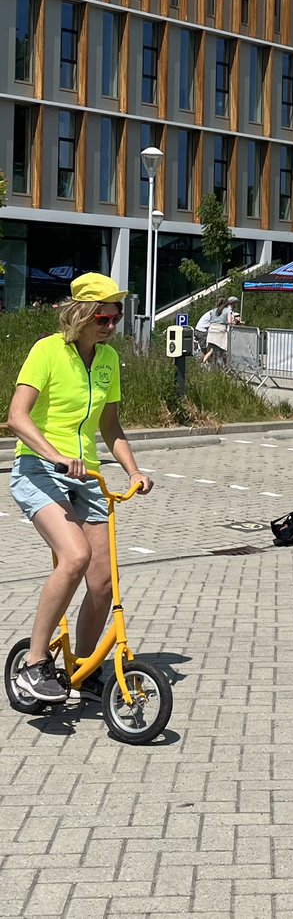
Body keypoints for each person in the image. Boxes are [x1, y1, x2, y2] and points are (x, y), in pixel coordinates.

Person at [6, 274, 153, 704]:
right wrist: (52, 454)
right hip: (38, 469)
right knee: (75, 557)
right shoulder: (47, 351)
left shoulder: (107, 360)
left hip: (86, 476)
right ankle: (35, 664)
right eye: (103, 317)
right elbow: (17, 417)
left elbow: (110, 425)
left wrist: (133, 472)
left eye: (115, 317)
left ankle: (81, 669)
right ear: (81, 315)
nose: (110, 325)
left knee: (103, 582)